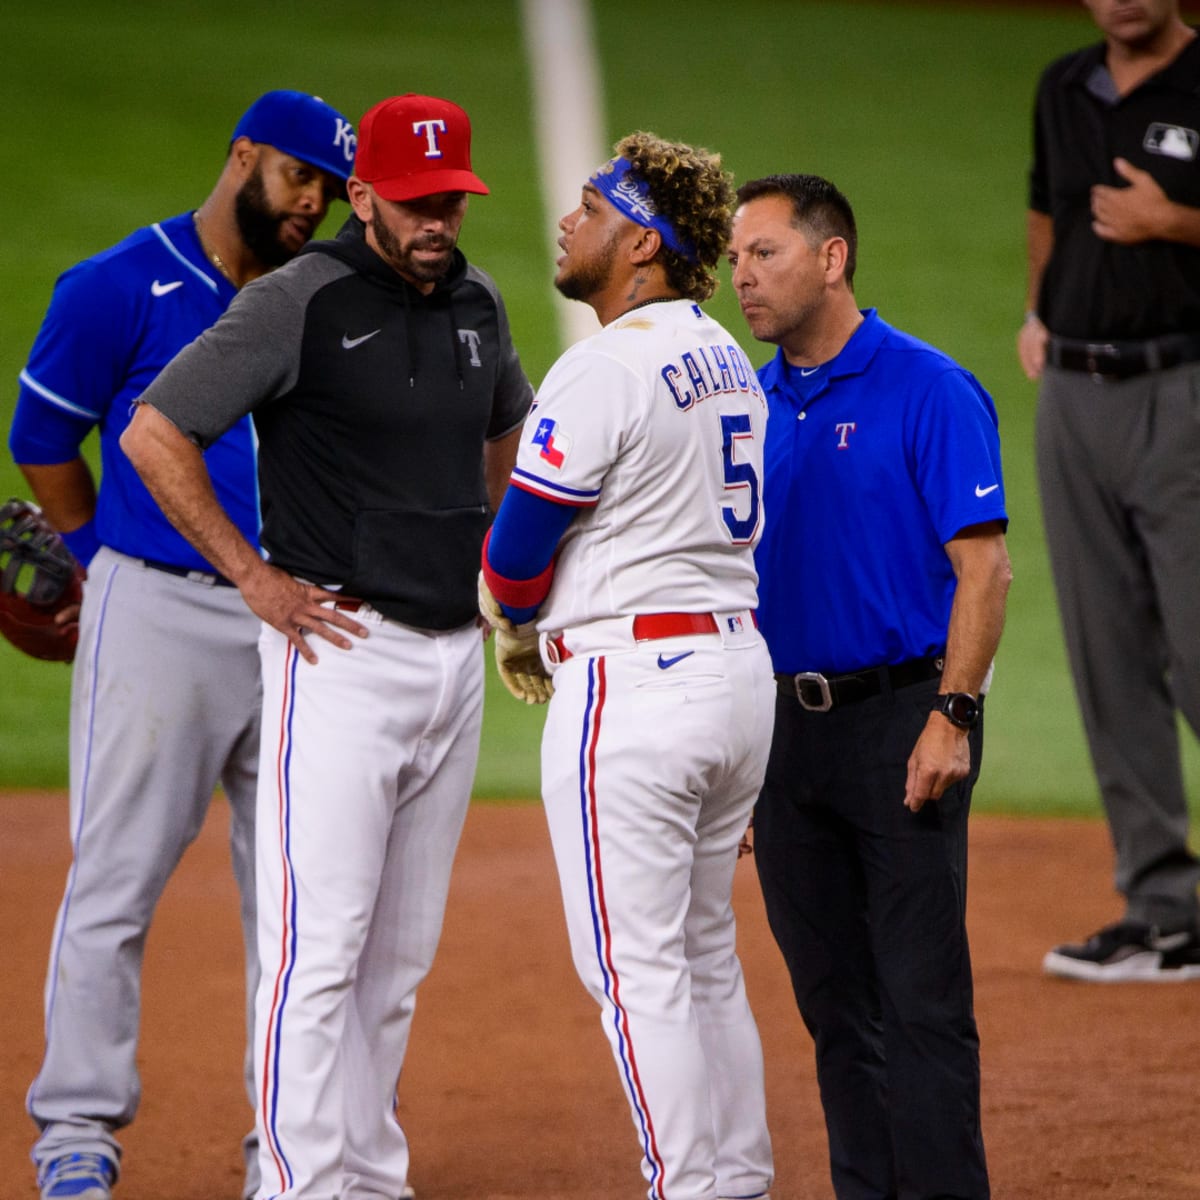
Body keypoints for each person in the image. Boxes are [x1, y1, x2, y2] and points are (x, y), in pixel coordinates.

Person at [121, 93, 533, 1200]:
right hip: (339, 656)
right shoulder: (297, 302)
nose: (437, 218)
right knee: (320, 950)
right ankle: (299, 1183)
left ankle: (369, 1175)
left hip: (453, 664)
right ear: (365, 197)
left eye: (451, 198)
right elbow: (155, 433)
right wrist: (253, 577)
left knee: (396, 964)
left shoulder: (481, 303)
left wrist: (501, 574)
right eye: (414, 201)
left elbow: (509, 446)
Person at [8, 89, 355, 1200]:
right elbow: (42, 438)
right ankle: (75, 1136)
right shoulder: (118, 285)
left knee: (294, 902)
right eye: (299, 176)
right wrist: (94, 558)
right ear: (243, 156)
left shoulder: (325, 300)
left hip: (301, 626)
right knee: (114, 880)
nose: (315, 203)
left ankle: (284, 1148)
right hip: (159, 611)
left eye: (331, 189)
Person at [479, 132, 774, 1200]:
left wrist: (514, 621)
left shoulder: (602, 364)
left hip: (638, 696)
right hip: (737, 678)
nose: (569, 220)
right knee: (702, 958)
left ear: (641, 243)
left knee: (637, 974)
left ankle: (690, 1190)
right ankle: (736, 1181)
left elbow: (518, 545)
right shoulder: (726, 353)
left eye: (594, 206)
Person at [729, 173, 1011, 1200]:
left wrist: (954, 713)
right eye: (734, 258)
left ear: (832, 257)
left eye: (764, 253)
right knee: (836, 1009)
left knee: (923, 1004)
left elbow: (985, 568)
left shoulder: (928, 387)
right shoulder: (749, 404)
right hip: (782, 741)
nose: (742, 277)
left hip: (903, 722)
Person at [1018, 0, 1200, 982]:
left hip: (1184, 393)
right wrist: (1036, 313)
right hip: (1075, 397)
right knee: (1107, 657)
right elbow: (1047, 209)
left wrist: (1170, 220)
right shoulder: (1063, 84)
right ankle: (1164, 910)